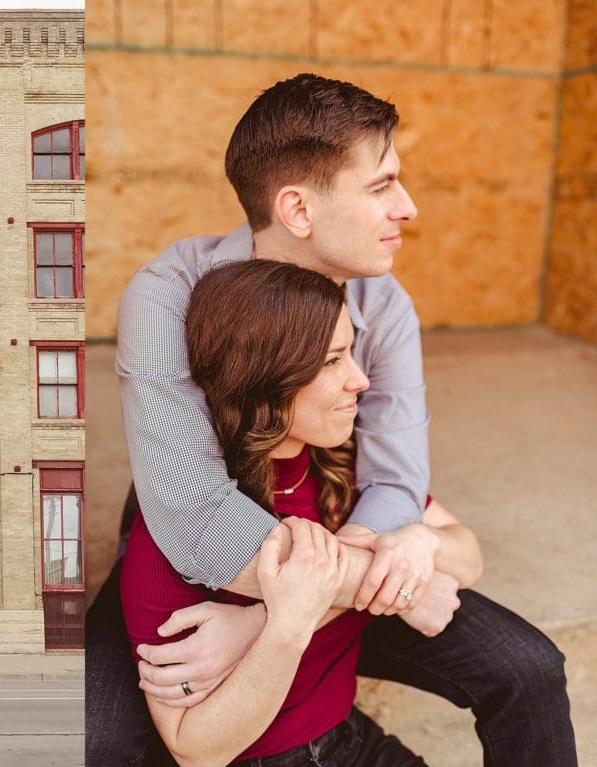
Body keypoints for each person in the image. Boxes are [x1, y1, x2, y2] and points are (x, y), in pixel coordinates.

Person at [86, 73, 576, 765]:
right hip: (200, 551)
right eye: (381, 186)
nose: (406, 207)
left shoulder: (385, 304)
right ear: (298, 209)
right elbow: (194, 514)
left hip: (331, 534)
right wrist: (370, 590)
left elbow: (397, 482)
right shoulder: (167, 296)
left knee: (525, 666)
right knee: (98, 735)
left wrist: (270, 620)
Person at [124, 258, 483, 766]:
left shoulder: (344, 469)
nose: (360, 379)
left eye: (351, 352)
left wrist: (420, 545)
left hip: (348, 740)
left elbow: (468, 556)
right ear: (265, 377)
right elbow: (193, 749)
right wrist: (287, 623)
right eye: (333, 360)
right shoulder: (190, 527)